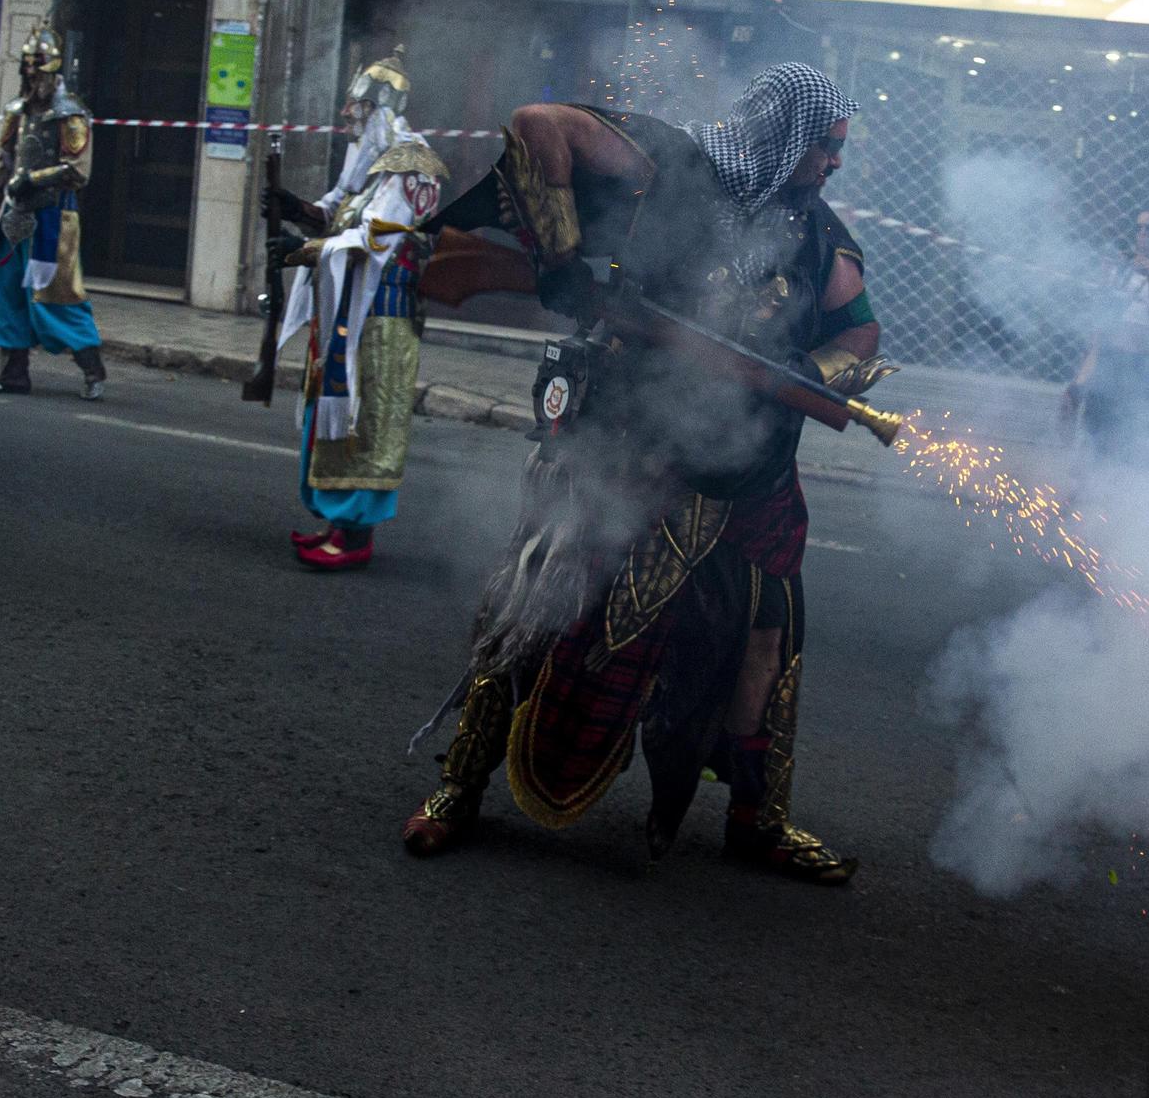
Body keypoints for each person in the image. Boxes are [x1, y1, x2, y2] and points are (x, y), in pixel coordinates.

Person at [399, 63, 887, 885]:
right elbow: (538, 123)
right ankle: (459, 786)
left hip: (752, 476)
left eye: (840, 149)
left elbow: (861, 339)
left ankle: (756, 820)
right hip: (627, 452)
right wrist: (557, 256)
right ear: (786, 137)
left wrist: (806, 371)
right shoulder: (671, 165)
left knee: (768, 643)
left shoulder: (818, 235)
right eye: (826, 147)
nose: (835, 162)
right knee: (533, 610)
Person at [264, 46, 446, 571]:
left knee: (364, 421)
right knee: (335, 416)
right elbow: (338, 213)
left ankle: (354, 537)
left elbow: (371, 239)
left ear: (380, 110)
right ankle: (337, 523)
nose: (347, 115)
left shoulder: (413, 165)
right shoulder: (372, 163)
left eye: (357, 107)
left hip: (384, 315)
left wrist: (301, 251)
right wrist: (294, 207)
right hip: (350, 310)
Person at [0, 26, 106, 400]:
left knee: (55, 295)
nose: (31, 76)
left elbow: (77, 170)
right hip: (14, 214)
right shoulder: (15, 111)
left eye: (38, 69)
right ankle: (14, 370)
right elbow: (4, 158)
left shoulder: (70, 114)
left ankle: (92, 368)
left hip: (53, 215)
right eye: (27, 68)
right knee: (8, 291)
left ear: (53, 70)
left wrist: (32, 178)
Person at [1061, 204, 1149, 460]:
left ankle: (1135, 487)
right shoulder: (1119, 265)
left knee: (1145, 431)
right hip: (1114, 355)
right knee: (1097, 425)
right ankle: (1087, 482)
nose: (1143, 233)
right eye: (1138, 228)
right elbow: (1102, 315)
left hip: (1147, 361)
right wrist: (1084, 370)